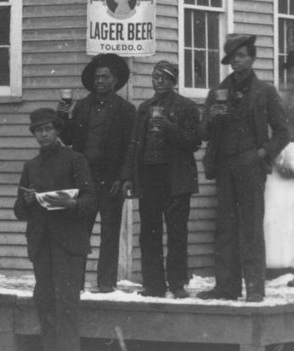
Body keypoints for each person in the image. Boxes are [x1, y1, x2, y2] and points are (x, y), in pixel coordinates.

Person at [196, 34, 290, 302]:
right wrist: (211, 118)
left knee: (250, 227)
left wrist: (262, 152)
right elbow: (202, 133)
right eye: (232, 58)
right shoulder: (217, 92)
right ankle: (227, 287)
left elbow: (283, 132)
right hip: (225, 166)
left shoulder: (264, 91)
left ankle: (255, 288)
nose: (236, 62)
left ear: (252, 58)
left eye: (242, 56)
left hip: (250, 166)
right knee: (225, 226)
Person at [14, 108, 96, 351]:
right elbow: (19, 211)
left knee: (67, 307)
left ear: (57, 130)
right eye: (38, 130)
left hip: (69, 245)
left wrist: (73, 204)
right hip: (42, 245)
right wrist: (28, 200)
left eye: (48, 129)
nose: (44, 134)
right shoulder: (32, 166)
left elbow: (91, 199)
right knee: (46, 305)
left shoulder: (75, 159)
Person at [121, 61, 201, 298]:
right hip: (149, 176)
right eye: (156, 76)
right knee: (149, 231)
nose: (159, 81)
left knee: (177, 232)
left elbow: (193, 142)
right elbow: (134, 144)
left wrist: (169, 127)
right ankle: (154, 284)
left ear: (174, 80)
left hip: (175, 178)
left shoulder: (186, 107)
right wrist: (128, 176)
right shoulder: (145, 108)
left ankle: (177, 283)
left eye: (165, 77)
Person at [57, 53, 136, 293]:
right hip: (85, 179)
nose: (100, 81)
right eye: (97, 77)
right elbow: (69, 139)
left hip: (110, 179)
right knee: (80, 232)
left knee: (110, 234)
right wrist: (62, 115)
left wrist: (123, 178)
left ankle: (106, 283)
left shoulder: (125, 109)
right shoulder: (81, 107)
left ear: (115, 80)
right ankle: (76, 281)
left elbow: (131, 146)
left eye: (105, 77)